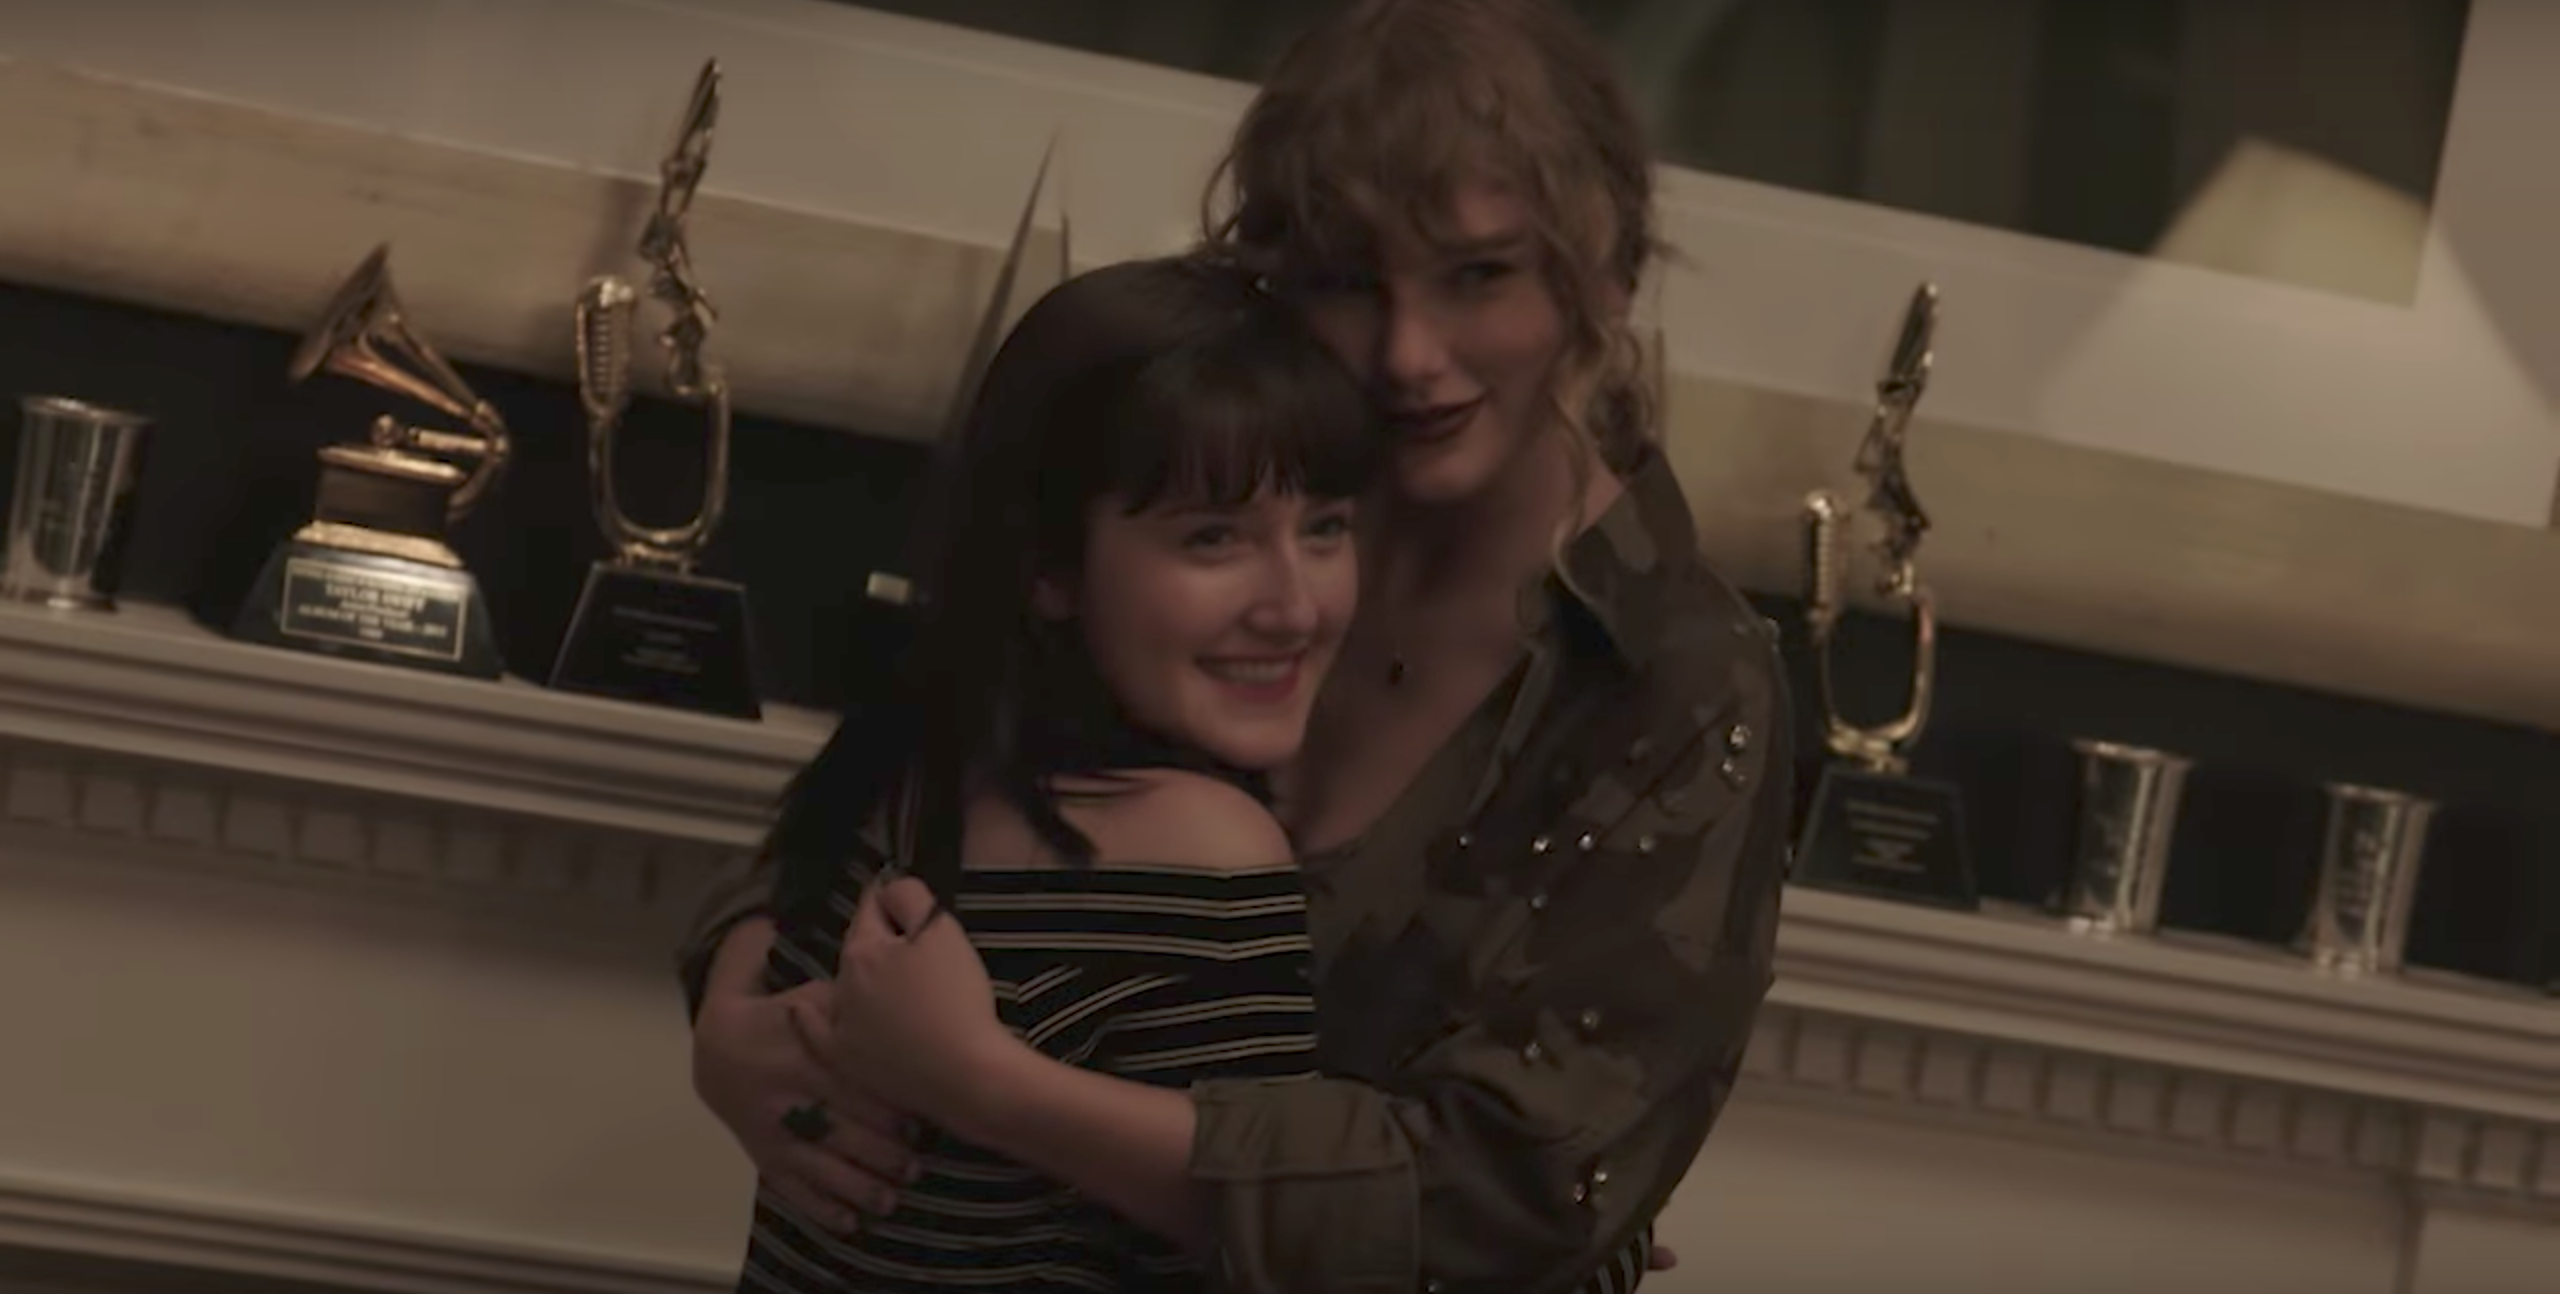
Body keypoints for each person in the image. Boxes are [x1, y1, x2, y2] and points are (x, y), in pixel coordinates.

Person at [683, 1, 1795, 1290]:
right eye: (1349, 278)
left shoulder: (1678, 678)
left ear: (1603, 273)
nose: (1408, 354)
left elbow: (1503, 1201)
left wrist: (993, 1090)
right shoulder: (1188, 482)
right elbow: (884, 786)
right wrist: (738, 1013)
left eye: (1478, 274)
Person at [735, 252, 1383, 1291]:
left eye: (1325, 528)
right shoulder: (1210, 852)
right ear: (1049, 564)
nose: (1294, 606)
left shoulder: (899, 764)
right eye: (1213, 538)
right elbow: (1271, 1251)